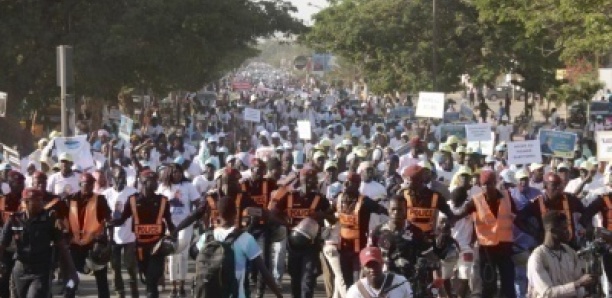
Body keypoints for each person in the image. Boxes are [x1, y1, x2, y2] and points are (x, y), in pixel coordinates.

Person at [199, 194, 283, 298]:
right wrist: (279, 295)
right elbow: (263, 271)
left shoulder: (206, 237)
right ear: (235, 213)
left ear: (218, 214)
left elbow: (196, 256)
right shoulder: (245, 238)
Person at [0, 188, 78, 298]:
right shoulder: (14, 220)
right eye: (37, 201)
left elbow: (62, 247)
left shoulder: (49, 220)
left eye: (42, 200)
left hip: (41, 271)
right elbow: (2, 244)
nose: (41, 203)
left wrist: (72, 272)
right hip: (20, 270)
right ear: (26, 202)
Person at [110, 169, 176, 298]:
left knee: (152, 280)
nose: (155, 183)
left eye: (156, 180)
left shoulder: (163, 200)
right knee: (147, 278)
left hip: (158, 247)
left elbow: (169, 222)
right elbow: (122, 219)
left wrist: (174, 234)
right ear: (143, 182)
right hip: (140, 248)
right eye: (152, 180)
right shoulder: (132, 200)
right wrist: (110, 222)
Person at [454, 170, 518, 298]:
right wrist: (448, 220)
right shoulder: (476, 201)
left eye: (489, 184)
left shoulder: (507, 196)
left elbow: (518, 217)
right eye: (483, 184)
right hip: (486, 249)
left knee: (508, 285)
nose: (486, 187)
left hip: (505, 248)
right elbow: (459, 215)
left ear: (495, 183)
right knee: (488, 284)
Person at [336, 172, 388, 288]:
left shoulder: (365, 202)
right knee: (347, 281)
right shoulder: (339, 199)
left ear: (357, 185)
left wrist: (381, 229)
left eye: (349, 182)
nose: (345, 184)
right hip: (343, 248)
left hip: (358, 250)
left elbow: (384, 212)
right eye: (345, 182)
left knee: (357, 281)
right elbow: (330, 213)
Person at [65, 173, 112, 298]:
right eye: (86, 184)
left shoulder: (100, 199)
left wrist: (108, 243)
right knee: (72, 278)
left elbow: (108, 219)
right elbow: (62, 217)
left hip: (94, 246)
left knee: (101, 279)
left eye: (91, 184)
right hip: (75, 246)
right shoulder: (70, 199)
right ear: (80, 184)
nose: (89, 187)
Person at [527, 211, 594, 297]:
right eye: (564, 228)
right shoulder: (538, 257)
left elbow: (579, 282)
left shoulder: (570, 252)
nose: (568, 232)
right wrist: (578, 284)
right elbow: (547, 293)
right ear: (553, 231)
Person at [103, 167, 139, 298]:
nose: (121, 179)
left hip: (129, 235)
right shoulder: (106, 194)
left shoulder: (133, 192)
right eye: (119, 176)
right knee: (115, 266)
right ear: (113, 178)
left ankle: (134, 290)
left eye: (123, 176)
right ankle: (119, 292)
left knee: (130, 265)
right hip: (112, 236)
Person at [345, 247, 412, 298]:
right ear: (362, 267)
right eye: (368, 266)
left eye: (375, 265)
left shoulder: (400, 282)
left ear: (382, 263)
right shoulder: (355, 291)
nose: (372, 269)